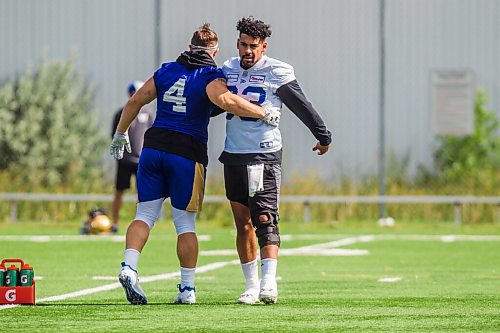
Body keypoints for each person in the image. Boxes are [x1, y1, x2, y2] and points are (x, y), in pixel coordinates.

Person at [109, 23, 280, 305]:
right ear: (214, 52)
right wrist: (262, 112)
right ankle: (187, 289)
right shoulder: (209, 75)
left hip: (153, 149)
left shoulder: (166, 70)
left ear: (189, 48)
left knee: (145, 215)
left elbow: (137, 100)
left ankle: (129, 266)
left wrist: (120, 133)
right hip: (186, 153)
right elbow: (226, 101)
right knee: (184, 223)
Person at [219, 17, 332, 305]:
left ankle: (269, 283)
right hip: (233, 152)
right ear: (237, 43)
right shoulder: (229, 69)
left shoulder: (276, 71)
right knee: (242, 223)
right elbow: (214, 104)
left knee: (265, 220)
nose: (247, 51)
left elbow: (301, 105)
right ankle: (251, 285)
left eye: (253, 47)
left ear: (263, 47)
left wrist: (323, 135)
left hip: (264, 152)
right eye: (243, 45)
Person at [111, 81, 154, 233]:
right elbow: (115, 135)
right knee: (119, 191)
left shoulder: (148, 114)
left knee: (142, 194)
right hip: (125, 159)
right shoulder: (121, 113)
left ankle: (141, 224)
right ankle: (114, 223)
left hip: (142, 160)